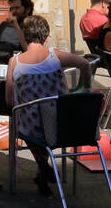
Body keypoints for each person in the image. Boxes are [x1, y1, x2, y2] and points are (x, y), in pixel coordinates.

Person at [5, 15, 92, 195]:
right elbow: (85, 64)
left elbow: (9, 101)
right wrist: (86, 89)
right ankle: (42, 169)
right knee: (46, 117)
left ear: (25, 36)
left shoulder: (14, 63)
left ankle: (42, 164)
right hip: (61, 125)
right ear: (46, 37)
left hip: (31, 127)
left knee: (25, 117)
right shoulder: (56, 55)